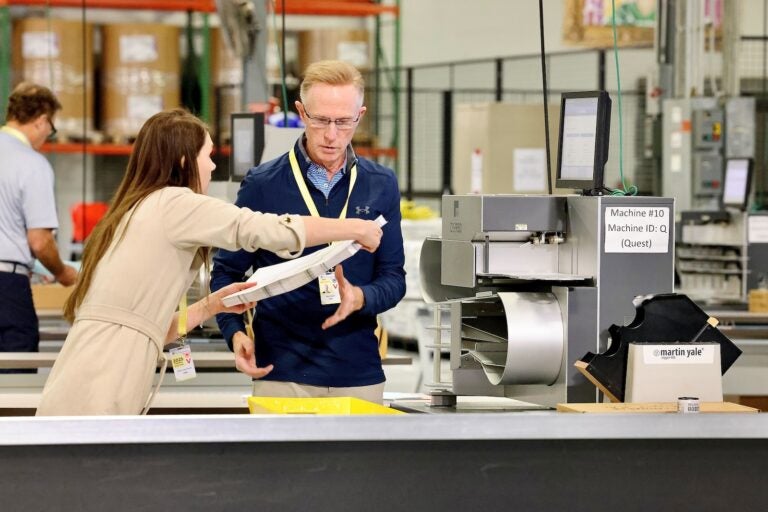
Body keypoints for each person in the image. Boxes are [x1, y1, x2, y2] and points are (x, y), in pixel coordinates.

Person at [36, 108, 383, 416]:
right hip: (104, 375)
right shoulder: (175, 203)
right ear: (186, 161)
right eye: (209, 155)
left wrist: (211, 305)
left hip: (87, 368)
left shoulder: (131, 210)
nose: (214, 166)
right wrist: (352, 227)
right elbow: (265, 228)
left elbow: (146, 325)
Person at [211, 60, 405, 404]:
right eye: (321, 120)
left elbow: (393, 277)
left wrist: (360, 298)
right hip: (280, 373)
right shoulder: (263, 185)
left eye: (344, 122)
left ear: (360, 115)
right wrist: (235, 332)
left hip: (357, 373)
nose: (332, 135)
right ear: (301, 112)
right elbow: (227, 270)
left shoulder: (381, 184)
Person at [0, 83, 78, 372]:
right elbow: (40, 241)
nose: (48, 135)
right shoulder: (32, 164)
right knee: (15, 373)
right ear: (42, 120)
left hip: (12, 272)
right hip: (6, 287)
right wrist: (61, 272)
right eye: (51, 128)